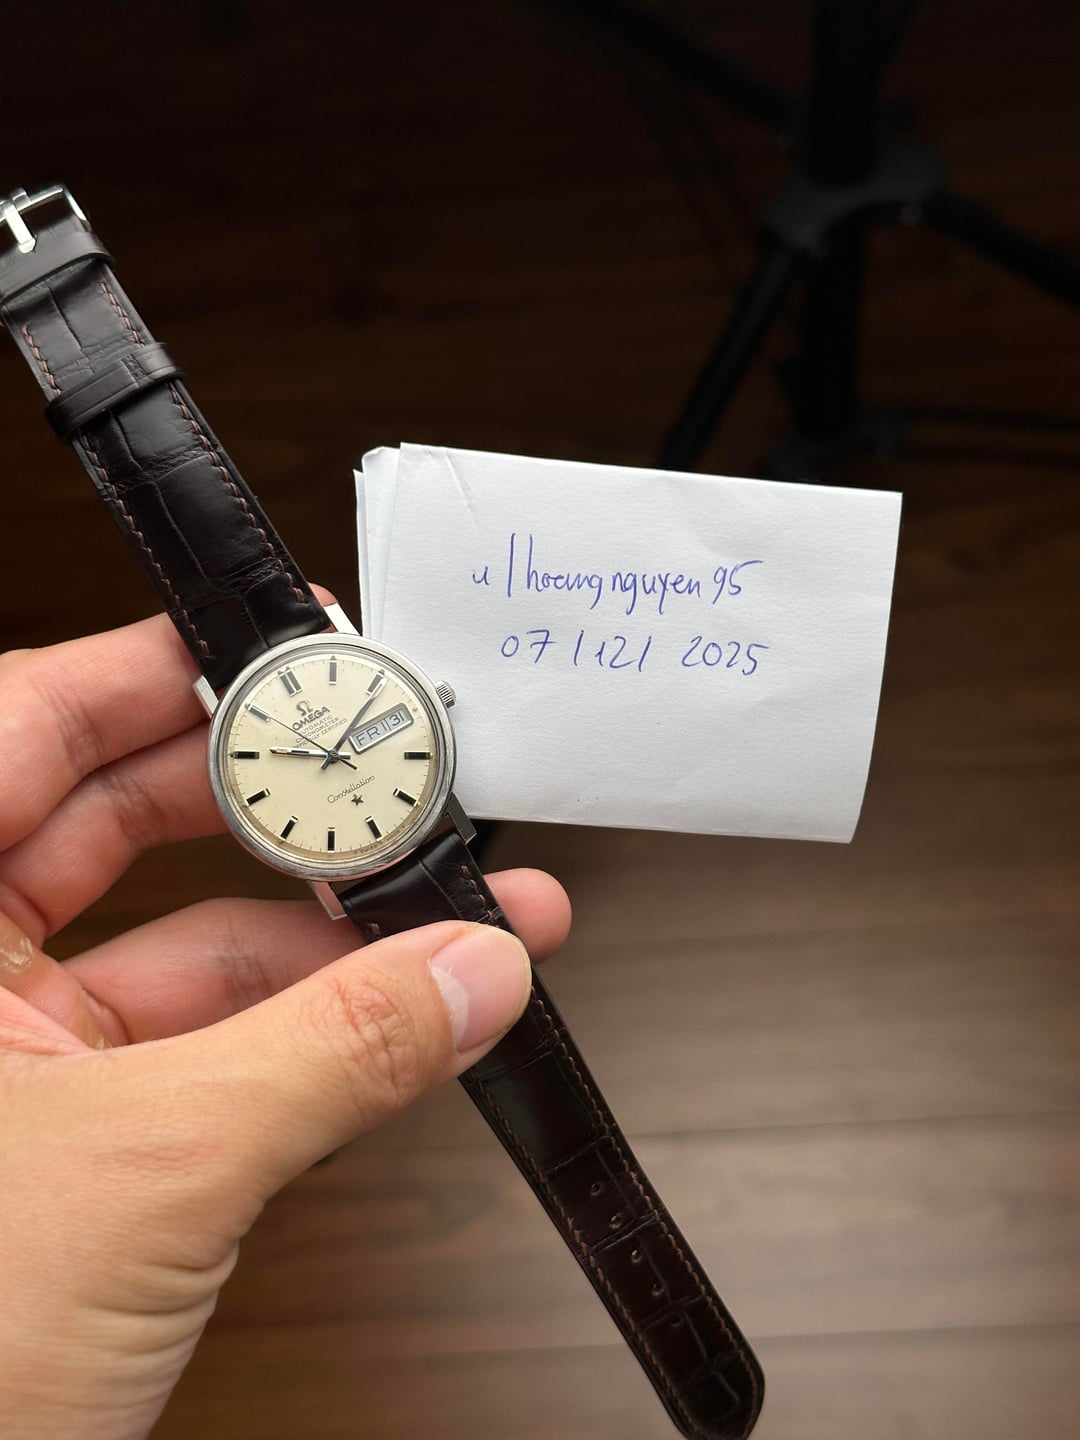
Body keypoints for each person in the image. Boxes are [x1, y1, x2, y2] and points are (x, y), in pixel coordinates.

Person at [0, 603, 571, 1440]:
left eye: (340, 746)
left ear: (429, 700)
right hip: (350, 848)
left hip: (378, 827)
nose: (336, 758)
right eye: (319, 755)